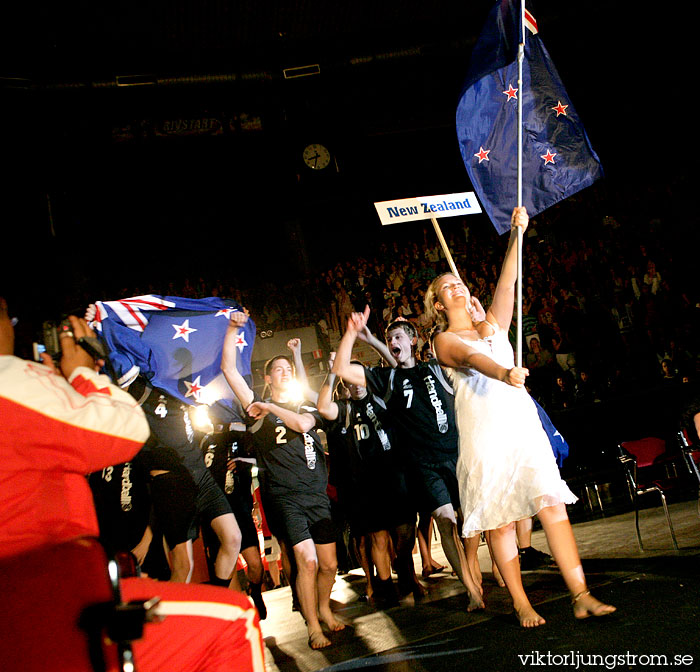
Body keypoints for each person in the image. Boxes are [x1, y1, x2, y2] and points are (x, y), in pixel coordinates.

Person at [0, 297, 264, 671]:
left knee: (231, 540)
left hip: (193, 479)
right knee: (230, 615)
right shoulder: (17, 385)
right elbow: (125, 430)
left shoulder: (180, 394)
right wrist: (80, 372)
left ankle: (205, 598)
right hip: (60, 587)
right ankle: (195, 603)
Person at [424, 206, 615, 627]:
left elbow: (508, 281)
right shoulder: (443, 340)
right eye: (446, 287)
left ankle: (581, 594)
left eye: (458, 282)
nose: (456, 287)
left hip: (521, 430)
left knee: (551, 504)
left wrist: (516, 234)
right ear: (438, 304)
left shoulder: (493, 323)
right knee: (501, 521)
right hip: (485, 437)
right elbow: (472, 359)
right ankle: (520, 603)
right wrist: (504, 371)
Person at [333, 310, 484, 610]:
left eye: (398, 337)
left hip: (456, 455)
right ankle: (471, 589)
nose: (392, 342)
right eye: (389, 339)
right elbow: (341, 368)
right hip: (423, 466)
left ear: (413, 340)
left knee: (470, 522)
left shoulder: (436, 368)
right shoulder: (386, 379)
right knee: (444, 519)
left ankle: (470, 565)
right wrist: (351, 332)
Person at [221, 311, 345, 650]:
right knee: (306, 560)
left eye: (289, 369)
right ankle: (312, 627)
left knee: (330, 564)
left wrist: (272, 407)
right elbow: (230, 371)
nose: (286, 373)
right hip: (284, 496)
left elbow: (303, 426)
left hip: (316, 494)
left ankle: (323, 609)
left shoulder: (299, 405)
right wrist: (232, 330)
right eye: (279, 370)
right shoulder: (256, 407)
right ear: (267, 376)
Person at [318, 353, 420, 607]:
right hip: (366, 483)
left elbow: (399, 371)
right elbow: (322, 408)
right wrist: (332, 372)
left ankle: (406, 572)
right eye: (349, 381)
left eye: (358, 378)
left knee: (406, 532)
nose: (356, 384)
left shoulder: (384, 399)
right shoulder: (344, 410)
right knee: (378, 538)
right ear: (344, 385)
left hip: (396, 476)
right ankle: (385, 587)